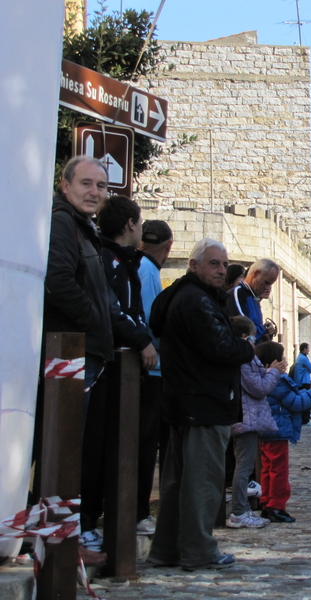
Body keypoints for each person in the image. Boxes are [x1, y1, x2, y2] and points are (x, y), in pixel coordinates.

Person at [146, 238, 255, 571]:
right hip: (204, 403)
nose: (221, 270)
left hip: (182, 400)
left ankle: (166, 549)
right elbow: (221, 348)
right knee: (203, 481)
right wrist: (248, 347)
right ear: (193, 265)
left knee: (178, 481)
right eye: (213, 263)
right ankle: (199, 550)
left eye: (224, 264)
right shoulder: (198, 301)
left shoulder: (178, 296)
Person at [42, 156, 114, 554]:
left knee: (75, 447)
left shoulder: (84, 228)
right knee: (62, 449)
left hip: (86, 352)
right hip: (68, 351)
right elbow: (58, 282)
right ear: (65, 185)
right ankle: (56, 542)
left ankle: (63, 536)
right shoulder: (62, 223)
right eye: (87, 184)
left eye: (101, 187)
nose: (95, 193)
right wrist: (93, 323)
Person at [95, 196, 159, 539]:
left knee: (132, 442)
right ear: (131, 225)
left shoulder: (129, 261)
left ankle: (128, 513)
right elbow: (116, 310)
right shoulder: (109, 260)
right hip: (116, 363)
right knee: (113, 443)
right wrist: (143, 340)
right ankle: (106, 517)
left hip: (132, 365)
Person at [257, 341, 311, 523]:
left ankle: (266, 502)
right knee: (279, 470)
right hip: (278, 430)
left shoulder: (260, 378)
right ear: (273, 363)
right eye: (282, 359)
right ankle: (277, 506)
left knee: (267, 468)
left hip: (264, 431)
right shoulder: (278, 381)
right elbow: (296, 402)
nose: (286, 362)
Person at [228, 316, 285, 529]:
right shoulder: (243, 356)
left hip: (247, 417)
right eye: (253, 336)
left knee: (244, 466)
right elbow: (259, 387)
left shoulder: (246, 357)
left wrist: (269, 369)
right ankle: (239, 511)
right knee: (243, 467)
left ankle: (241, 509)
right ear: (245, 336)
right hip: (247, 418)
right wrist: (274, 372)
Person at [137, 219, 173, 534]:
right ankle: (138, 511)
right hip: (152, 369)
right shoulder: (149, 272)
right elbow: (152, 324)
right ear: (169, 247)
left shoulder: (136, 265)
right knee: (147, 443)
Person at [227, 258, 280, 343]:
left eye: (270, 284)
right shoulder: (238, 293)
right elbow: (244, 327)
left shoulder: (254, 299)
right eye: (266, 282)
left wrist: (268, 331)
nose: (268, 288)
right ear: (256, 274)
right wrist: (264, 331)